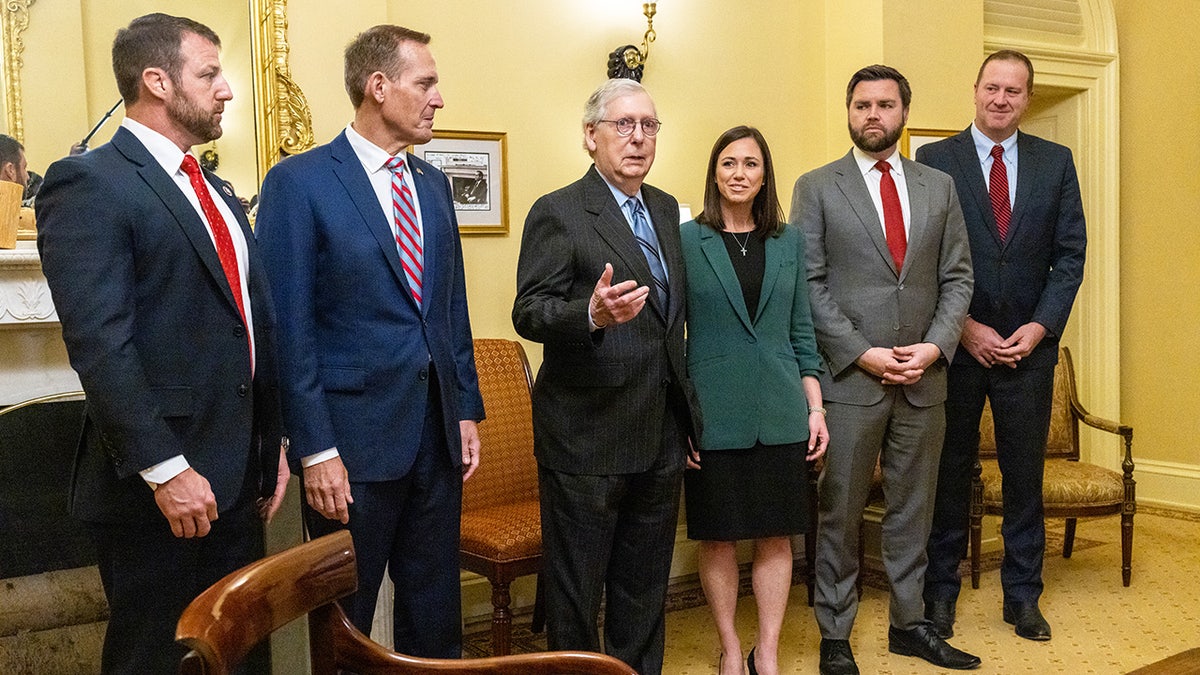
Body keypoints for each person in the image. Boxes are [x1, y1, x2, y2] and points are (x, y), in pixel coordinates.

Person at [35, 13, 287, 673]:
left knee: (237, 655)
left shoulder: (216, 189)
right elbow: (100, 344)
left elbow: (247, 323)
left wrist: (274, 439)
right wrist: (167, 470)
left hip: (238, 481)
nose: (226, 89)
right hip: (159, 491)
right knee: (156, 659)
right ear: (156, 81)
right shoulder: (89, 182)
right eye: (209, 74)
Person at [254, 25, 483, 658]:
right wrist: (314, 447)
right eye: (426, 83)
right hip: (350, 450)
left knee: (435, 615)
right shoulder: (299, 183)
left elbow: (449, 311)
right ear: (378, 87)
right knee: (346, 625)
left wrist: (464, 407)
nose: (439, 98)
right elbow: (287, 331)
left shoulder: (433, 186)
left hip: (435, 440)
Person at [789, 64, 978, 674]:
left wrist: (934, 347)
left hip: (925, 379)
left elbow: (958, 278)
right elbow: (809, 286)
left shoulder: (938, 187)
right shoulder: (817, 186)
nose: (874, 115)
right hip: (850, 381)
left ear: (904, 113)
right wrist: (861, 353)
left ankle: (909, 623)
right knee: (839, 511)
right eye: (863, 104)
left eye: (886, 105)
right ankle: (835, 634)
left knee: (912, 510)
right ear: (848, 112)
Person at [512, 77, 696, 675]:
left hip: (658, 434)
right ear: (591, 136)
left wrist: (688, 419)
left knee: (644, 591)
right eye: (624, 125)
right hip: (586, 437)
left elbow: (672, 323)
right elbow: (530, 312)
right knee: (575, 594)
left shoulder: (666, 208)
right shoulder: (559, 211)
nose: (638, 138)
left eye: (648, 126)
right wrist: (590, 314)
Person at [920, 50, 1087, 643]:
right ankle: (938, 595)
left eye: (1013, 91)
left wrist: (1039, 329)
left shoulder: (1056, 162)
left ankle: (1023, 597)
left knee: (1023, 479)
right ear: (975, 90)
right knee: (947, 474)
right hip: (958, 347)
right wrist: (962, 325)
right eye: (992, 87)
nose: (1001, 99)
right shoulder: (935, 160)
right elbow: (925, 260)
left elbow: (1069, 258)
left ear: (1027, 99)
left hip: (1027, 351)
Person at [681, 125, 829, 675]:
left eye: (751, 164)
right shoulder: (685, 241)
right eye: (728, 163)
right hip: (712, 414)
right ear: (714, 173)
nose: (739, 173)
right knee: (718, 536)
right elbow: (675, 337)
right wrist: (681, 419)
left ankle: (766, 649)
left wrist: (815, 409)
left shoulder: (787, 241)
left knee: (775, 535)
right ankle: (728, 648)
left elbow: (802, 334)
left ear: (765, 175)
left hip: (781, 409)